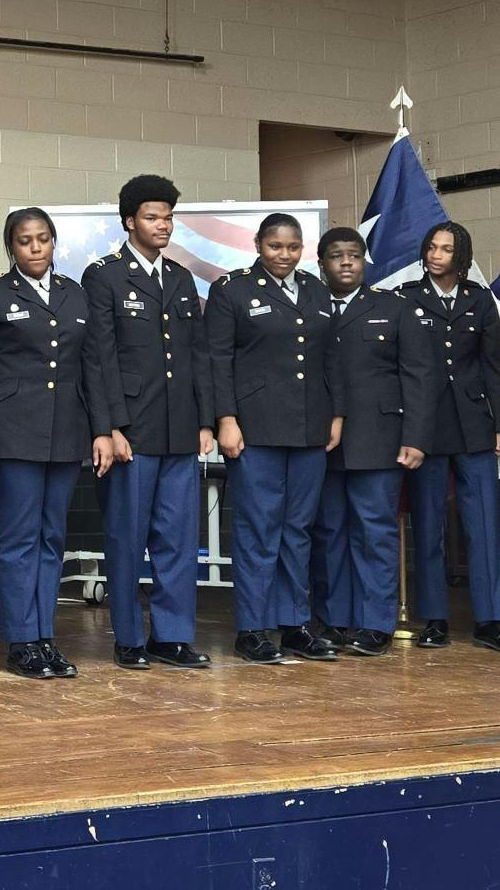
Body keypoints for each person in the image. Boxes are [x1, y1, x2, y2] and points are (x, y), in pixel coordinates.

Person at [82, 175, 215, 671]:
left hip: (178, 427)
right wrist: (111, 426)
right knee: (126, 537)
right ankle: (130, 638)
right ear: (129, 221)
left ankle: (173, 636)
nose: (163, 225)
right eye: (153, 217)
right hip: (131, 432)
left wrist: (204, 420)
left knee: (178, 539)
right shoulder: (104, 276)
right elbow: (99, 358)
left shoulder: (180, 278)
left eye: (168, 217)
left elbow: (197, 355)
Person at [0, 208, 110, 680]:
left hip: (66, 433)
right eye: (24, 240)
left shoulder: (75, 293)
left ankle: (45, 636)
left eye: (43, 239)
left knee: (52, 538)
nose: (35, 248)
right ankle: (20, 640)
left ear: (54, 242)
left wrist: (101, 430)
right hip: (14, 434)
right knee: (17, 540)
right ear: (10, 246)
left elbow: (93, 366)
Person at [206, 213, 342, 664]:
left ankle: (294, 623)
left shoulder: (318, 290)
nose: (284, 255)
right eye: (275, 246)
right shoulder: (233, 289)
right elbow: (218, 360)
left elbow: (329, 359)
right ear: (258, 244)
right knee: (257, 530)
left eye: (292, 247)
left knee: (298, 530)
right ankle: (253, 627)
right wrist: (226, 419)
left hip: (309, 427)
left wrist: (336, 414)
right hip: (256, 428)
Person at [398, 221, 500, 652]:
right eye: (431, 247)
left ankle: (491, 621)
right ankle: (435, 619)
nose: (436, 255)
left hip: (474, 424)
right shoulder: (406, 298)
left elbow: (495, 365)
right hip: (427, 427)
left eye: (446, 249)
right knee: (429, 525)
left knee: (485, 525)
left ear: (461, 255)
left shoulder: (479, 299)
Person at [311, 228, 434, 656]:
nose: (346, 262)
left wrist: (416, 438)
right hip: (320, 441)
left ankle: (375, 624)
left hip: (379, 440)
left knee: (374, 532)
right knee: (328, 533)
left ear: (365, 262)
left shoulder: (394, 307)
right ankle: (334, 620)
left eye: (354, 255)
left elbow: (419, 376)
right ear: (321, 263)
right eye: (336, 256)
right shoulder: (308, 306)